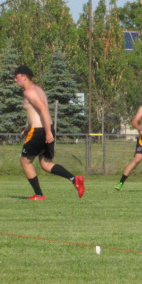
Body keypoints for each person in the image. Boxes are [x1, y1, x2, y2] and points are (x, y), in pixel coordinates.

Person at [14, 66, 85, 200]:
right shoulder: (38, 90)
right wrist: (28, 127)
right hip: (44, 128)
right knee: (46, 164)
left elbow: (44, 110)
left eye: (16, 77)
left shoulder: (29, 92)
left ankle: (39, 194)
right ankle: (75, 179)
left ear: (24, 77)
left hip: (40, 131)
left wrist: (47, 133)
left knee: (25, 162)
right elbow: (34, 113)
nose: (15, 79)